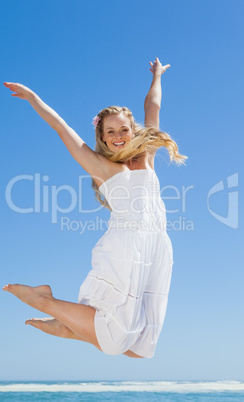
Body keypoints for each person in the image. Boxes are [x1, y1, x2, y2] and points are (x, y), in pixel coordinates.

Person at [3, 57, 187, 359]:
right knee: (116, 341)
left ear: (132, 130)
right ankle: (45, 300)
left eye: (123, 130)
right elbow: (62, 130)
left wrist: (157, 76)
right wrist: (34, 99)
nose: (118, 136)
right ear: (101, 138)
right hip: (126, 248)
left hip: (156, 249)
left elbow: (152, 107)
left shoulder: (146, 158)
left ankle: (68, 329)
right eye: (110, 132)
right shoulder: (100, 167)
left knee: (142, 348)